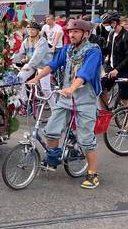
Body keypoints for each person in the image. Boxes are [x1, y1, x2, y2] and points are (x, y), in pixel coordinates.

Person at [27, 19, 102, 189]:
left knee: (86, 139)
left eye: (76, 32)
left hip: (85, 99)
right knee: (51, 130)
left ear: (86, 34)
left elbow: (86, 73)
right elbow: (52, 65)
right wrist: (36, 78)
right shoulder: (67, 50)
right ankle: (53, 159)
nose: (72, 34)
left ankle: (92, 174)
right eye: (70, 32)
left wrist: (72, 88)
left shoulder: (93, 51)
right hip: (65, 97)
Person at [13, 21, 53, 109]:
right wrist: (11, 60)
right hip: (31, 65)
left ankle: (55, 109)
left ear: (38, 31)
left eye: (33, 30)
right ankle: (25, 102)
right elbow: (20, 53)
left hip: (43, 65)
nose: (31, 31)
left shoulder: (42, 41)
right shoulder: (26, 41)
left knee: (45, 89)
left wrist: (29, 64)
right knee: (18, 79)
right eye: (29, 29)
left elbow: (37, 55)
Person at [99, 12, 128, 109]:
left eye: (108, 24)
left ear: (114, 23)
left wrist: (117, 70)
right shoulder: (111, 34)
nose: (107, 27)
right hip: (111, 66)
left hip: (123, 69)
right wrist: (97, 48)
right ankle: (105, 112)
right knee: (101, 87)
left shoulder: (127, 35)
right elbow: (108, 50)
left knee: (124, 95)